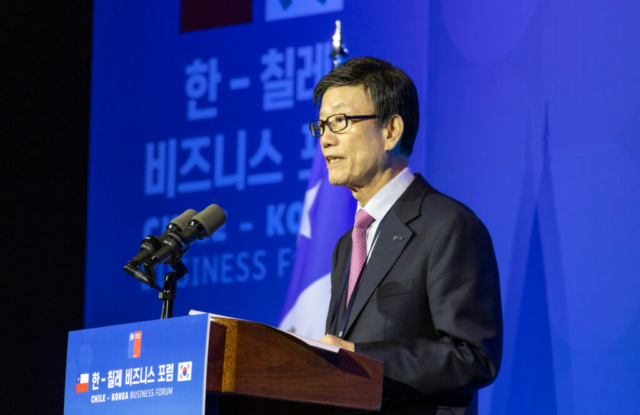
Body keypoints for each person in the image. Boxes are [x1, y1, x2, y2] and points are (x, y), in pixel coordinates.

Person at [314, 57, 503, 415]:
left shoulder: (449, 225)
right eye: (321, 125)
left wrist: (361, 359)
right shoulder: (346, 245)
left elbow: (474, 356)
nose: (325, 138)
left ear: (391, 130)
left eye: (340, 122)